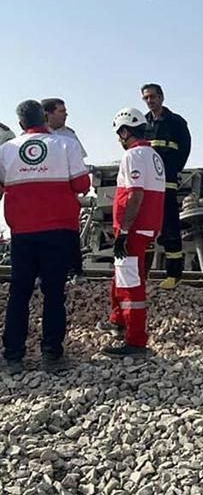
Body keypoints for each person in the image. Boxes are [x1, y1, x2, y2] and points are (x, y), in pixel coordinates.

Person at [0, 100, 90, 373]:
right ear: (45, 119)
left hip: (22, 233)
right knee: (53, 292)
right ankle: (52, 354)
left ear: (20, 124)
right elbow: (82, 185)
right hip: (58, 231)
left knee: (19, 292)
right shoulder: (67, 145)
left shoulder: (6, 150)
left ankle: (13, 356)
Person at [97, 108, 165, 357]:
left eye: (119, 134)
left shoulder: (133, 156)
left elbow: (135, 195)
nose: (118, 139)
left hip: (134, 228)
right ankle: (118, 321)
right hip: (146, 225)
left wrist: (124, 231)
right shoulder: (154, 155)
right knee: (123, 274)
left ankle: (135, 340)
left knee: (130, 283)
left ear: (125, 131)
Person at [141, 83, 190, 290]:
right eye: (146, 98)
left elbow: (185, 148)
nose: (150, 101)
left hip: (167, 181)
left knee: (170, 227)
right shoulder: (142, 123)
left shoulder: (176, 122)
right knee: (145, 229)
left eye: (152, 96)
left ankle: (174, 274)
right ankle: (143, 273)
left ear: (161, 97)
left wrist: (172, 169)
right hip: (147, 183)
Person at [41, 98, 88, 283]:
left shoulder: (69, 136)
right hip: (42, 195)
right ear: (47, 114)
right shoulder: (33, 137)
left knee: (69, 233)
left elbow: (79, 163)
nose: (65, 114)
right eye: (61, 111)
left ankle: (75, 270)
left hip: (65, 193)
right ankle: (42, 272)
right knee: (43, 236)